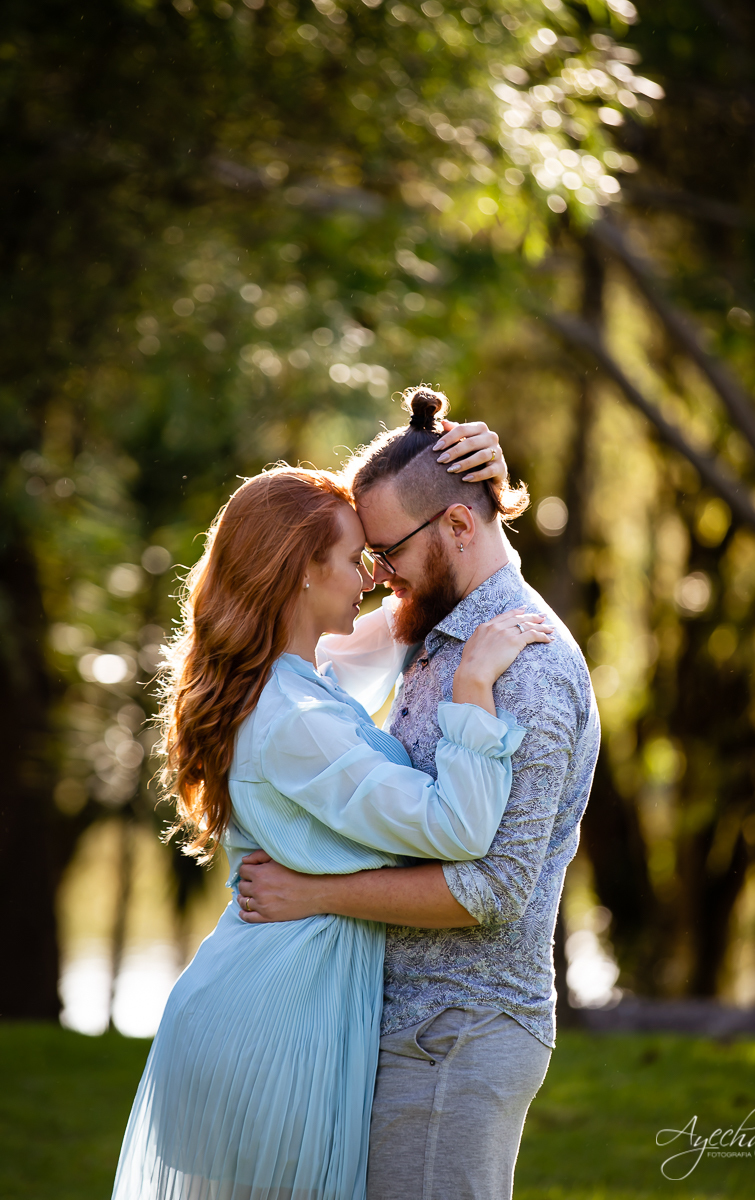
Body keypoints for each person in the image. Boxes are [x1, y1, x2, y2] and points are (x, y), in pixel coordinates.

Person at [111, 420, 551, 1200]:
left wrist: (478, 489)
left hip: (282, 1008)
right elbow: (458, 828)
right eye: (356, 561)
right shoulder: (297, 720)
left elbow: (437, 583)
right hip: (274, 1027)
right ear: (303, 575)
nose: (377, 579)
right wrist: (474, 687)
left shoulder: (298, 677)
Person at [238, 387, 601, 1200]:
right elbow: (301, 642)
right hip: (417, 1027)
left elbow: (495, 888)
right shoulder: (441, 628)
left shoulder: (528, 669)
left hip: (460, 1032)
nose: (376, 577)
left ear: (458, 528)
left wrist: (315, 895)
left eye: (386, 552)